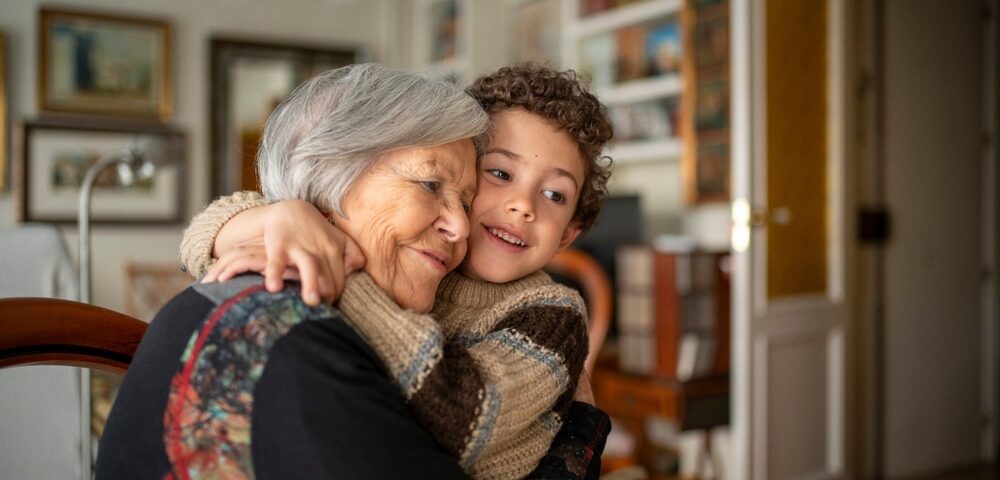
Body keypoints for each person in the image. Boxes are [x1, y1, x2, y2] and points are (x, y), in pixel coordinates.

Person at [96, 64, 607, 480]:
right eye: (434, 185)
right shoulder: (298, 334)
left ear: (570, 232)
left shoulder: (547, 313)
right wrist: (271, 219)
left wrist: (344, 273)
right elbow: (204, 234)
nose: (518, 207)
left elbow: (466, 418)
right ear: (332, 178)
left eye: (555, 194)